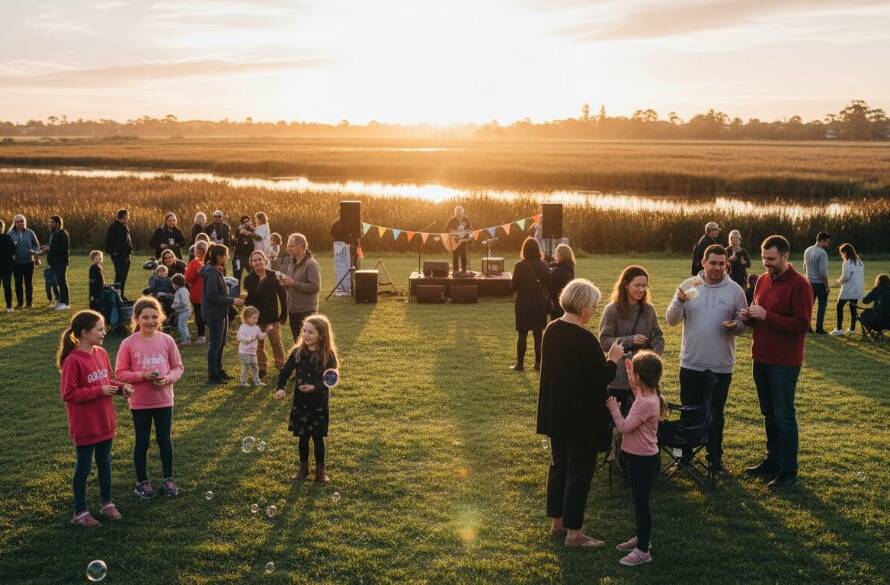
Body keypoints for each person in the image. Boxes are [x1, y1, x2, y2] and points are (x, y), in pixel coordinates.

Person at [537, 278, 625, 547]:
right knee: (579, 473)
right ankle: (574, 533)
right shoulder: (585, 339)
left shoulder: (551, 330)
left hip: (556, 413)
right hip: (582, 418)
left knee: (559, 467)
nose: (594, 311)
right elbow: (601, 377)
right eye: (593, 307)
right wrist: (613, 358)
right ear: (583, 305)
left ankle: (557, 523)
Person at [741, 235, 813, 489]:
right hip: (760, 357)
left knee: (783, 415)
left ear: (785, 256)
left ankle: (788, 470)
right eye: (763, 258)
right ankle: (772, 460)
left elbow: (802, 324)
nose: (766, 263)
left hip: (784, 362)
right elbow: (759, 313)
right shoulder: (762, 280)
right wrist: (749, 316)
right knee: (768, 413)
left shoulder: (800, 285)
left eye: (771, 259)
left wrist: (766, 316)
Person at [666, 245, 747, 471]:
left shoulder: (735, 291)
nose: (717, 268)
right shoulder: (688, 285)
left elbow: (743, 325)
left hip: (721, 364)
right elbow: (671, 320)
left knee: (716, 414)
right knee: (689, 411)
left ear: (727, 265)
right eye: (713, 263)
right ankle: (684, 457)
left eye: (722, 264)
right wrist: (679, 302)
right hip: (692, 361)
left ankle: (715, 458)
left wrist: (735, 326)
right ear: (703, 262)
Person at [58, 310, 133, 526]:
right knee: (84, 466)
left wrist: (122, 389)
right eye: (99, 329)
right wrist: (100, 391)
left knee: (104, 463)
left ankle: (107, 502)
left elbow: (107, 381)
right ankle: (80, 512)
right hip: (85, 425)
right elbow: (69, 394)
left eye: (103, 328)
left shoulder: (100, 352)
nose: (104, 332)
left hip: (104, 420)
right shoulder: (73, 361)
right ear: (84, 333)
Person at [114, 297, 184, 499]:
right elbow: (119, 373)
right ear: (136, 318)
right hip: (140, 402)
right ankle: (142, 482)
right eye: (145, 317)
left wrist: (167, 380)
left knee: (164, 439)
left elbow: (177, 367)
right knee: (142, 441)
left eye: (154, 316)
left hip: (164, 400)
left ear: (160, 317)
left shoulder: (167, 340)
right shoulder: (128, 343)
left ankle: (168, 479)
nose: (150, 321)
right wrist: (142, 376)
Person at [606, 351, 666, 567]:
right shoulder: (649, 395)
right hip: (644, 459)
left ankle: (643, 550)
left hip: (643, 461)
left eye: (635, 375)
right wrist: (632, 371)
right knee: (639, 501)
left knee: (641, 505)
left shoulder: (645, 403)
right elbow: (636, 390)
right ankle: (642, 538)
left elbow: (623, 427)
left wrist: (614, 409)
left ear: (642, 378)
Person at [275, 314, 339, 484]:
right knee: (303, 437)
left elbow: (331, 378)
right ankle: (302, 470)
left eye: (311, 332)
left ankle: (320, 471)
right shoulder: (298, 352)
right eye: (304, 331)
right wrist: (280, 388)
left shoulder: (327, 355)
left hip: (318, 402)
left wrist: (315, 387)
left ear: (321, 335)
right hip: (301, 403)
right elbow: (285, 372)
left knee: (318, 438)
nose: (306, 335)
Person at [599, 266, 665, 414]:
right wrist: (630, 340)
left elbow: (659, 337)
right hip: (619, 379)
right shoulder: (612, 310)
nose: (641, 289)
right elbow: (604, 341)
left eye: (644, 285)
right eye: (637, 285)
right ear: (626, 284)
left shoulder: (649, 310)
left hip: (644, 379)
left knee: (642, 424)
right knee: (619, 424)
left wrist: (652, 358)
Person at [200, 244, 243, 383]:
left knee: (221, 343)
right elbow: (212, 296)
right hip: (214, 314)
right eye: (226, 255)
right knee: (215, 345)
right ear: (219, 257)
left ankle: (218, 370)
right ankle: (213, 375)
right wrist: (231, 300)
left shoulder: (215, 270)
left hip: (220, 312)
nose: (228, 257)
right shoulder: (211, 273)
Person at [243, 250, 287, 378]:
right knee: (258, 346)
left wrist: (284, 313)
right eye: (255, 260)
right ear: (251, 263)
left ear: (265, 261)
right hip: (256, 320)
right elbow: (249, 301)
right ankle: (262, 367)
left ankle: (281, 365)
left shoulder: (274, 275)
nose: (258, 262)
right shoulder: (248, 279)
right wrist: (260, 284)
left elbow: (283, 296)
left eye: (260, 259)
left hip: (272, 317)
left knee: (276, 343)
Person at [510, 237, 550, 372]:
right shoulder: (545, 265)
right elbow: (548, 285)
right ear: (538, 250)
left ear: (524, 250)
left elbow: (513, 286)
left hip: (523, 301)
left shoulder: (519, 266)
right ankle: (538, 363)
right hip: (539, 302)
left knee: (522, 334)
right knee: (538, 335)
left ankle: (520, 364)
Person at [276, 234, 321, 343]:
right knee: (297, 342)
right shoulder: (292, 263)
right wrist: (284, 282)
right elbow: (291, 283)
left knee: (309, 343)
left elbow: (315, 287)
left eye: (291, 246)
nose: (288, 249)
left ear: (301, 246)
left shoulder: (311, 264)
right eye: (288, 246)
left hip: (306, 311)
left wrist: (293, 283)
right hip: (293, 310)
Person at [831, 243, 864, 336]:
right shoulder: (859, 261)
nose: (842, 255)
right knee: (853, 308)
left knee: (839, 306)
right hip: (858, 288)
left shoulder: (847, 262)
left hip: (850, 288)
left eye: (842, 253)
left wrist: (838, 282)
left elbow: (846, 277)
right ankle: (852, 329)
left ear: (846, 252)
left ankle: (839, 329)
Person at [8, 214, 40, 309]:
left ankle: (29, 303)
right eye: (18, 221)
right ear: (15, 223)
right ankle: (20, 303)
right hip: (16, 263)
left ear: (24, 222)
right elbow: (6, 247)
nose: (20, 223)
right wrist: (11, 254)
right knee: (18, 283)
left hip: (29, 262)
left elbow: (36, 245)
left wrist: (33, 251)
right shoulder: (10, 233)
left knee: (28, 283)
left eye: (22, 221)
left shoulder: (30, 232)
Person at [804, 231, 831, 334]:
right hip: (819, 283)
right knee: (822, 305)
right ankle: (819, 328)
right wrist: (827, 286)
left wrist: (807, 277)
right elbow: (823, 272)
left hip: (809, 282)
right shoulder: (822, 253)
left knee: (809, 306)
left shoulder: (807, 250)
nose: (827, 245)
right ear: (822, 241)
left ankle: (807, 327)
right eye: (827, 242)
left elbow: (804, 266)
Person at [237, 306, 269, 387]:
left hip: (253, 352)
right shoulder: (243, 327)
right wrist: (248, 339)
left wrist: (267, 332)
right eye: (253, 318)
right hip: (244, 352)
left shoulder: (256, 328)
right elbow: (239, 337)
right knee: (246, 366)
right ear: (246, 318)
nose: (256, 320)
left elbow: (261, 337)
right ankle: (243, 382)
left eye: (257, 318)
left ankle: (257, 382)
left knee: (255, 367)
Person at [104, 209, 133, 299]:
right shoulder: (114, 227)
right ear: (123, 217)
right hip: (119, 256)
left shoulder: (124, 226)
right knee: (119, 277)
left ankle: (121, 295)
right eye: (127, 217)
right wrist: (115, 253)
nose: (128, 219)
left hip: (126, 256)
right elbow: (109, 242)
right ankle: (117, 296)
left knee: (123, 277)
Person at [185, 241, 208, 344]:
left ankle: (201, 336)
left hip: (197, 294)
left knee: (199, 315)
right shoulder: (206, 263)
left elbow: (189, 278)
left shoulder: (194, 263)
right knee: (204, 314)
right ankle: (205, 334)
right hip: (206, 293)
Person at [548, 244, 575, 320]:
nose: (555, 254)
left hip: (556, 301)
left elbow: (549, 285)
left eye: (556, 252)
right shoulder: (570, 267)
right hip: (566, 299)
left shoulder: (557, 270)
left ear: (560, 255)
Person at [445, 205, 473, 274]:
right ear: (455, 213)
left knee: (464, 255)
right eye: (457, 213)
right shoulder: (452, 220)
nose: (459, 215)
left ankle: (464, 270)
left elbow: (470, 229)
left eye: (460, 213)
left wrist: (467, 232)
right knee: (455, 256)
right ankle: (455, 271)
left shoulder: (466, 219)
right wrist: (454, 233)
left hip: (463, 241)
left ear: (463, 212)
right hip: (455, 241)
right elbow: (447, 229)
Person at [232, 215, 256, 283]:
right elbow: (237, 233)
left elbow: (257, 235)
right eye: (244, 222)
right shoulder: (238, 230)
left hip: (250, 257)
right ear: (241, 223)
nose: (246, 223)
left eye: (248, 221)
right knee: (236, 279)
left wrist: (251, 227)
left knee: (254, 277)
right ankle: (236, 293)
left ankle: (253, 292)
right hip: (239, 257)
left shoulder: (253, 230)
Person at [171, 274, 191, 346]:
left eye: (173, 284)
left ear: (177, 284)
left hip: (184, 311)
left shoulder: (181, 291)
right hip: (183, 311)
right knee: (183, 325)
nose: (172, 285)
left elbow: (184, 302)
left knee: (181, 326)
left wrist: (174, 306)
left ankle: (185, 341)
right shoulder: (182, 290)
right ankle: (186, 338)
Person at [0, 220, 14, 312]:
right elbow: (13, 251)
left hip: (6, 267)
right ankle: (9, 306)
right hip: (6, 266)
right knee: (7, 286)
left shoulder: (7, 238)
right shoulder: (8, 238)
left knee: (7, 286)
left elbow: (13, 251)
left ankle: (9, 306)